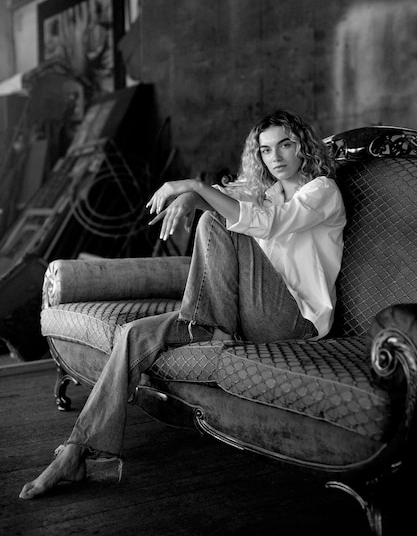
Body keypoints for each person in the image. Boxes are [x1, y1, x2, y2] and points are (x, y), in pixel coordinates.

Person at [19, 109, 346, 500]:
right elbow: (233, 196)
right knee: (131, 334)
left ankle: (204, 324)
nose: (275, 157)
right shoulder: (268, 191)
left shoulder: (322, 191)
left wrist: (192, 187)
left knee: (214, 220)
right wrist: (192, 196)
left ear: (304, 147)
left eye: (286, 145)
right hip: (243, 313)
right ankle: (77, 452)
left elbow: (269, 223)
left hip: (295, 321)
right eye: (265, 150)